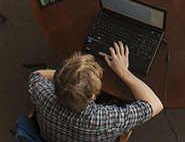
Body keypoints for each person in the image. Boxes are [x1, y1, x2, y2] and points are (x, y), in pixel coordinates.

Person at [29, 42, 163, 142]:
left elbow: (37, 74)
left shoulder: (42, 94)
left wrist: (67, 79)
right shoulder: (103, 121)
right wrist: (123, 71)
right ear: (92, 96)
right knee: (122, 100)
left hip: (50, 137)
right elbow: (155, 104)